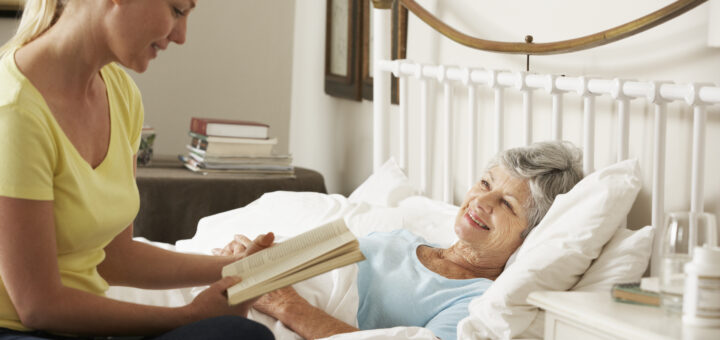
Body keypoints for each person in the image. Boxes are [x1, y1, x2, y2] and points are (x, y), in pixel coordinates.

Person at [0, 0, 275, 339]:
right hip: (19, 331)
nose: (182, 36)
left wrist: (238, 268)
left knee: (238, 334)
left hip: (78, 330)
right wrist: (188, 316)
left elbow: (115, 257)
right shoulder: (13, 111)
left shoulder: (120, 93)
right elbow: (37, 306)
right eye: (177, 10)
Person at [216, 140, 584, 340]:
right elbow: (299, 258)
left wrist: (286, 305)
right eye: (486, 184)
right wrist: (253, 256)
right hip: (246, 288)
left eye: (506, 204)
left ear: (531, 233)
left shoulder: (476, 304)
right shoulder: (398, 237)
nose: (481, 202)